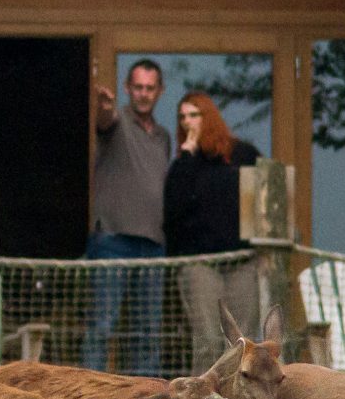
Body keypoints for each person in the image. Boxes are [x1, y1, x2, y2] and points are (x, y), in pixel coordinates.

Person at [164, 91, 263, 375]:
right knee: (207, 339)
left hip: (243, 261)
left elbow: (264, 198)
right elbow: (172, 213)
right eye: (182, 117)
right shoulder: (183, 164)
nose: (187, 122)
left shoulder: (243, 153)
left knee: (241, 342)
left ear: (209, 116)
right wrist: (186, 157)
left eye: (194, 115)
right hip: (200, 263)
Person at [81, 60, 169, 374]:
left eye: (150, 88)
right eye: (138, 87)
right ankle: (90, 397)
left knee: (148, 333)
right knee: (102, 326)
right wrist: (103, 108)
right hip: (113, 239)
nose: (144, 94)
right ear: (127, 89)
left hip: (153, 244)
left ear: (160, 91)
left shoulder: (162, 136)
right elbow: (105, 119)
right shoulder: (117, 123)